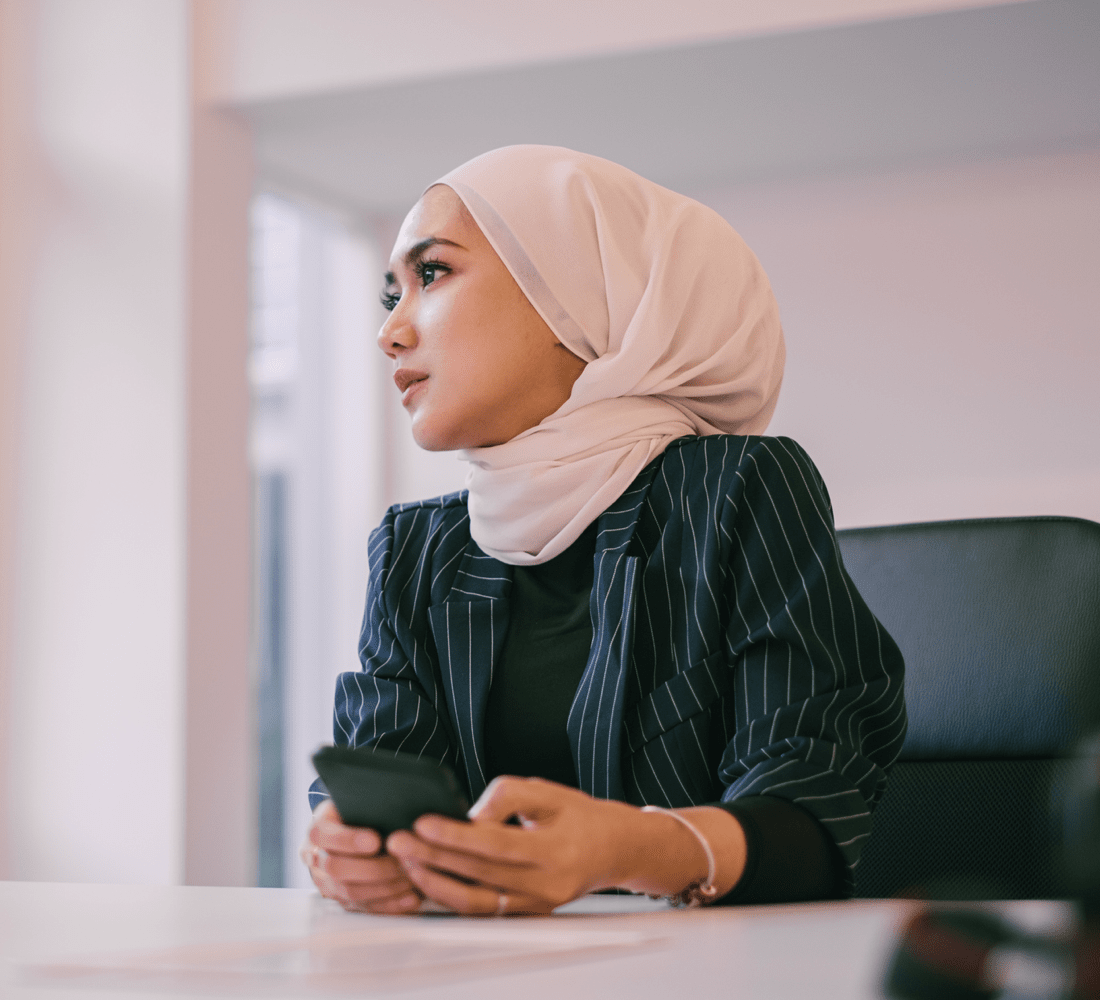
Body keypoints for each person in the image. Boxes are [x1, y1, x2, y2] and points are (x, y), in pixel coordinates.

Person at [302, 145, 906, 916]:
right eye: (390, 295)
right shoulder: (414, 553)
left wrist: (624, 850)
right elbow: (383, 775)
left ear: (574, 295)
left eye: (432, 274)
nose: (390, 332)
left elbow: (810, 809)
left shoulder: (738, 489)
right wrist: (348, 846)